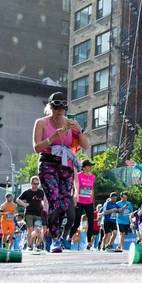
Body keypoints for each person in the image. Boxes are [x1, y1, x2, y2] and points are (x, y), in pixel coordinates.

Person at [33, 92, 88, 253]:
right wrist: (54, 136)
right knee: (55, 201)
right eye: (57, 108)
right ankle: (55, 241)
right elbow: (37, 148)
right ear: (50, 107)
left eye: (63, 108)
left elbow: (85, 145)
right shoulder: (42, 123)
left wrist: (80, 130)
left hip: (65, 164)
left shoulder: (70, 122)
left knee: (64, 204)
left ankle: (51, 234)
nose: (60, 111)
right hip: (48, 162)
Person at [70, 159, 96, 250]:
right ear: (84, 167)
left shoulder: (93, 177)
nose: (91, 167)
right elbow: (75, 187)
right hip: (79, 201)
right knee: (77, 222)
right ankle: (69, 237)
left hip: (89, 202)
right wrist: (74, 200)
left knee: (91, 221)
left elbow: (92, 189)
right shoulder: (78, 175)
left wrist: (92, 199)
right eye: (89, 166)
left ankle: (89, 243)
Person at [17, 176, 46, 251]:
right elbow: (18, 199)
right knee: (30, 229)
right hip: (29, 213)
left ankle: (27, 240)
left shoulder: (41, 192)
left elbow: (43, 200)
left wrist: (43, 204)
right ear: (31, 183)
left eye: (37, 184)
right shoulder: (27, 192)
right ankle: (29, 245)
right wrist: (24, 204)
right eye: (34, 183)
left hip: (38, 214)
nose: (36, 185)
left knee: (38, 230)